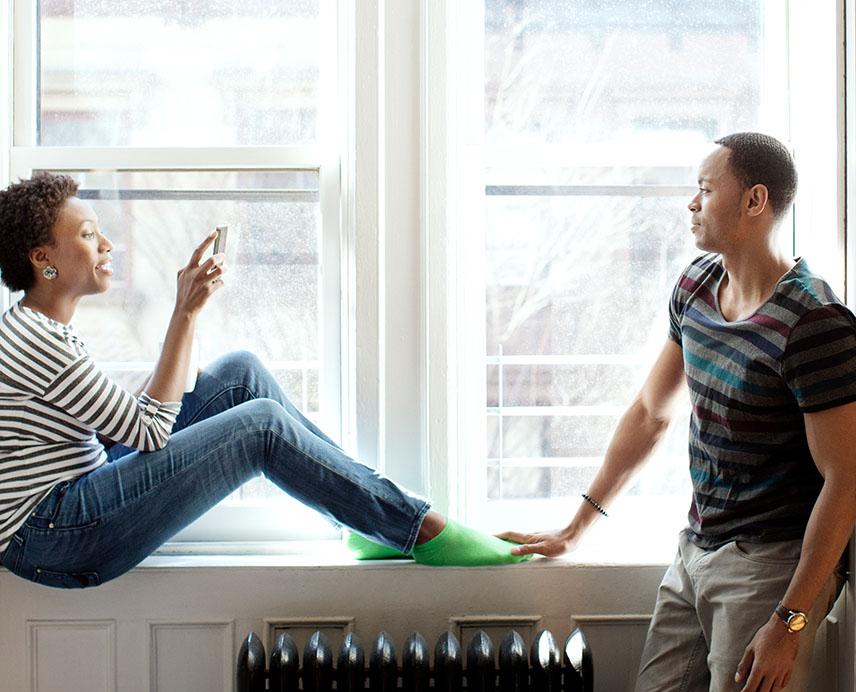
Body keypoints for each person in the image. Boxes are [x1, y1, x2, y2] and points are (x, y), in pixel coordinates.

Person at [503, 132, 856, 692]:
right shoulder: (696, 288)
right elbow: (650, 413)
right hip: (693, 555)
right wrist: (578, 523)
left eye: (704, 188)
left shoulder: (816, 323)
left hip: (769, 573)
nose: (689, 203)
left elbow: (844, 481)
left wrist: (792, 620)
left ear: (755, 202)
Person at [0, 173, 529, 587]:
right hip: (54, 536)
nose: (108, 244)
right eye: (88, 235)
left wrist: (185, 338)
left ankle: (363, 520)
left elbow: (114, 426)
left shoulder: (38, 327)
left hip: (68, 510)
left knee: (239, 373)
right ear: (42, 258)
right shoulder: (38, 340)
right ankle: (419, 528)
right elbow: (149, 431)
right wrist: (184, 312)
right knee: (261, 426)